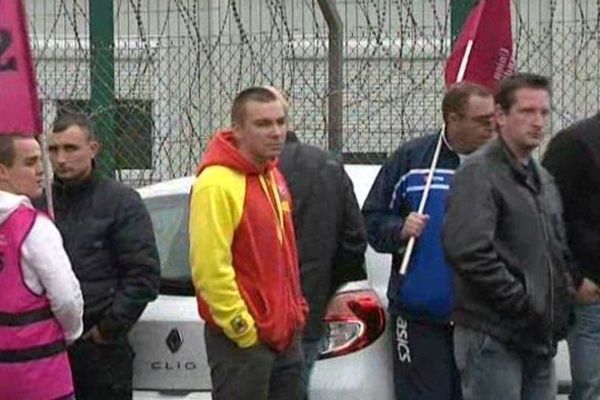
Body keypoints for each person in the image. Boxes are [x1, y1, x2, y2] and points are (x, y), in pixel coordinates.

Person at [442, 73, 575, 400]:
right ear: (500, 116)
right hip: (493, 334)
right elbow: (468, 250)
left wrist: (562, 299)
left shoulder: (541, 178)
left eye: (544, 112)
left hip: (538, 335)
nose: (538, 121)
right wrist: (523, 302)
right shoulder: (479, 172)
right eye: (527, 111)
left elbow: (553, 248)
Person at [362, 81, 495, 400]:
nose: (491, 127)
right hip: (421, 316)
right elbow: (371, 220)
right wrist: (399, 229)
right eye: (481, 121)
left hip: (482, 320)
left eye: (493, 118)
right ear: (453, 119)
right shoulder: (413, 160)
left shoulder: (503, 165)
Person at [189, 87, 307, 400]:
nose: (276, 132)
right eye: (263, 124)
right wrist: (241, 328)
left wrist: (295, 313)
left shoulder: (272, 175)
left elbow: (283, 255)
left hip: (283, 336)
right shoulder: (215, 184)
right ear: (238, 130)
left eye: (281, 122)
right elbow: (210, 269)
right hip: (244, 343)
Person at [38, 112, 161, 400]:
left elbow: (143, 275)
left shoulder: (121, 202)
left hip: (100, 353)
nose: (61, 159)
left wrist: (106, 331)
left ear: (93, 149)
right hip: (47, 347)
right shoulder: (39, 203)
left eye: (71, 148)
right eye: (54, 150)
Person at [277, 108, 367, 398]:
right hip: (309, 308)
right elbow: (354, 241)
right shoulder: (327, 167)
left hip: (244, 317)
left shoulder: (233, 173)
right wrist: (325, 291)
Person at [0, 134, 83, 400]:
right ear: (3, 171)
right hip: (39, 375)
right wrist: (71, 333)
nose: (40, 170)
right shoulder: (34, 227)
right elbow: (67, 299)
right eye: (30, 162)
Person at [542, 114, 600, 400]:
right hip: (590, 292)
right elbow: (546, 218)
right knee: (591, 386)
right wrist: (575, 278)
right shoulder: (576, 144)